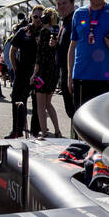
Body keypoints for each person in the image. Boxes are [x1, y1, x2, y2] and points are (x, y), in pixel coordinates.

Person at [7, 10, 40, 138]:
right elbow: (12, 50)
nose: (37, 19)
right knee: (17, 99)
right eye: (35, 16)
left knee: (37, 103)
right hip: (22, 71)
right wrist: (15, 67)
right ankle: (17, 130)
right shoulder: (23, 31)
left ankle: (35, 132)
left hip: (38, 72)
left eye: (40, 17)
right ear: (31, 16)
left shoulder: (45, 32)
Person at [32, 9, 62, 137]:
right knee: (48, 104)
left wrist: (34, 74)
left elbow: (40, 56)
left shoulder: (44, 32)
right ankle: (57, 130)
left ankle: (43, 132)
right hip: (53, 71)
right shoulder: (57, 32)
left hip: (42, 72)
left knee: (40, 105)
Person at [53, 0, 77, 120]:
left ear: (72, 4)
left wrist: (70, 77)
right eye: (59, 4)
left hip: (72, 75)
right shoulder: (65, 23)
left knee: (75, 113)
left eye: (65, 3)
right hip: (64, 73)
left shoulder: (75, 21)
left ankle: (79, 140)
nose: (61, 6)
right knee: (71, 112)